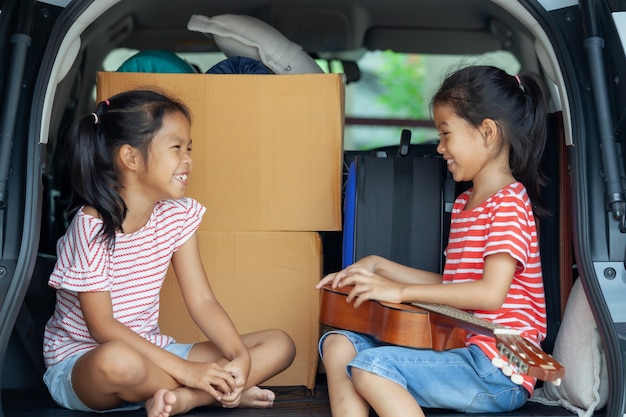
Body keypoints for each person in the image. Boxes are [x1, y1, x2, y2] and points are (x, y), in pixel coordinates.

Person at [43, 89, 296, 417]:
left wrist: (240, 358)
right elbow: (102, 327)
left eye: (189, 147)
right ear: (131, 158)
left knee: (279, 344)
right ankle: (212, 391)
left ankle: (189, 399)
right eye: (176, 147)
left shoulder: (177, 215)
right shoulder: (92, 226)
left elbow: (202, 302)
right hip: (84, 364)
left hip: (156, 354)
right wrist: (188, 371)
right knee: (117, 360)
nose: (188, 159)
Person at [316, 65, 549, 417]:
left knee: (370, 367)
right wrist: (379, 265)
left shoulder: (509, 203)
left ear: (486, 132)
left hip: (498, 366)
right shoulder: (464, 204)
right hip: (460, 348)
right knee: (337, 345)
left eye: (445, 134)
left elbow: (488, 293)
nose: (439, 148)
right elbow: (454, 286)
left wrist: (399, 292)